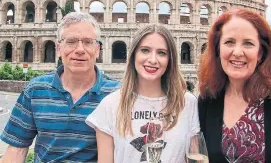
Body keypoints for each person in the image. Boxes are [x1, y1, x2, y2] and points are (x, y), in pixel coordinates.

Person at [197, 8, 271, 162]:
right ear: (218, 49)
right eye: (229, 42)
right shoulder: (209, 99)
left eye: (248, 43)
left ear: (260, 52)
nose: (237, 52)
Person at [0, 12, 121, 162]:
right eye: (71, 41)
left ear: (97, 50)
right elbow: (16, 150)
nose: (80, 49)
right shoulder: (35, 90)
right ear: (58, 49)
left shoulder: (117, 93)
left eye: (88, 42)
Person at [86, 24, 200, 162]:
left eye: (162, 53)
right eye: (145, 50)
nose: (152, 60)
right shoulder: (110, 104)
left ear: (170, 60)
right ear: (134, 54)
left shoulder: (187, 102)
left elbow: (195, 157)